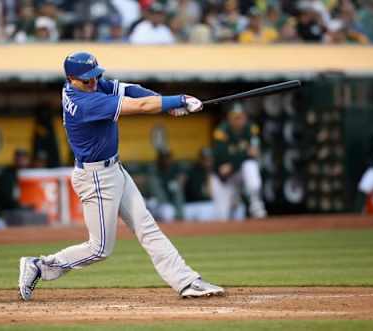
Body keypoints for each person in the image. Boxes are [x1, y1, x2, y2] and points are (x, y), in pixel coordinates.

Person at [18, 51, 224, 301]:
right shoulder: (84, 103)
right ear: (71, 78)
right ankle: (40, 265)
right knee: (100, 248)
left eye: (96, 76)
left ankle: (187, 281)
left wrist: (166, 104)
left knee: (146, 227)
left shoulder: (90, 86)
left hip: (114, 169)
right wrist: (178, 99)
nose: (94, 82)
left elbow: (131, 90)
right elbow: (138, 106)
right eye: (87, 79)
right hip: (96, 178)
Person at [211, 105, 267, 219]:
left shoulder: (251, 128)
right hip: (222, 177)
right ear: (229, 118)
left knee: (250, 165)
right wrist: (244, 154)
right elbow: (222, 160)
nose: (239, 120)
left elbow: (254, 153)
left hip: (237, 171)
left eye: (241, 117)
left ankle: (256, 204)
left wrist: (233, 162)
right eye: (236, 117)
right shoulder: (221, 131)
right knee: (222, 215)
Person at [0, 149, 47, 226]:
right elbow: (4, 197)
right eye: (19, 158)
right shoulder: (7, 174)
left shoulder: (30, 173)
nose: (21, 160)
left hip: (28, 209)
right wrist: (19, 205)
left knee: (43, 216)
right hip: (10, 210)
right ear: (15, 159)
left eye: (23, 158)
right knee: (25, 217)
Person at [147, 149, 185, 222]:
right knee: (168, 211)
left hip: (168, 203)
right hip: (156, 203)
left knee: (174, 211)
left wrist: (178, 210)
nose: (166, 160)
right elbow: (158, 194)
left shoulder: (173, 172)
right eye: (164, 158)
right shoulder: (154, 171)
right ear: (159, 159)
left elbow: (177, 193)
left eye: (168, 158)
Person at [183, 148, 217, 222]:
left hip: (207, 204)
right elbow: (194, 193)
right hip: (193, 205)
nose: (208, 162)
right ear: (200, 159)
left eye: (209, 159)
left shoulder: (213, 171)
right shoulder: (192, 171)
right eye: (205, 159)